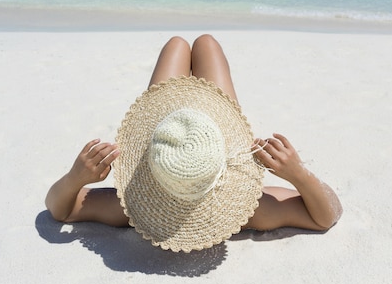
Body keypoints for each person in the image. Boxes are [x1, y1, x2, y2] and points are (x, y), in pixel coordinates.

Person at [46, 35, 342, 250]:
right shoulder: (251, 210)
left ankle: (183, 58)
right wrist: (298, 174)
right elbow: (327, 215)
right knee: (206, 44)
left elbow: (59, 209)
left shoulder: (130, 208)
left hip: (175, 135)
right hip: (208, 136)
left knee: (177, 45)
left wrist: (76, 178)